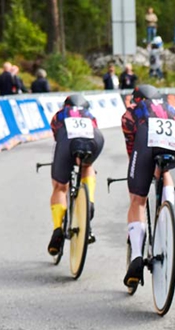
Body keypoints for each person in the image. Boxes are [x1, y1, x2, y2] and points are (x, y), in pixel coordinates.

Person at [120, 84, 175, 287]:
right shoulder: (170, 108)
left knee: (137, 199)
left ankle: (136, 255)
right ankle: (166, 212)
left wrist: (139, 180)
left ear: (136, 99)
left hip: (145, 142)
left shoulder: (130, 113)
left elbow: (132, 153)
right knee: (165, 170)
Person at [46, 94, 105, 257]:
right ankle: (89, 201)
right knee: (87, 165)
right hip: (95, 138)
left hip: (67, 140)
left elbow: (59, 141)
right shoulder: (90, 115)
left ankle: (57, 228)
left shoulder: (59, 115)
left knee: (60, 186)